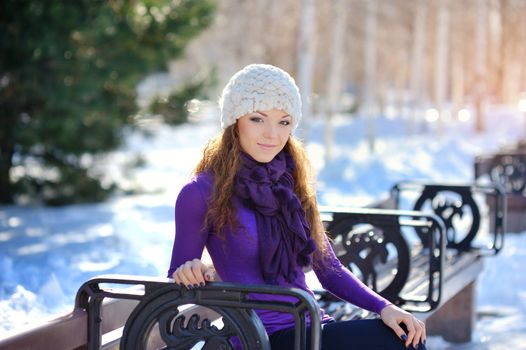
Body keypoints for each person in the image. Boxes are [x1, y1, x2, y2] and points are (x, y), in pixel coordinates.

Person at [168, 63, 426, 350]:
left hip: (310, 326)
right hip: (259, 338)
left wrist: (385, 308)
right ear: (234, 121)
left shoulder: (291, 186)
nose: (272, 134)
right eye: (257, 119)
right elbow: (177, 273)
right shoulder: (202, 192)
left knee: (406, 338)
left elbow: (328, 268)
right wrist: (190, 269)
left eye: (284, 122)